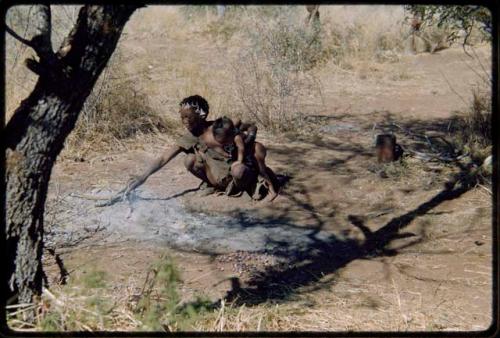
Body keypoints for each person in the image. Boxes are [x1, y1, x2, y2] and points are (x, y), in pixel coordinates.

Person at [124, 95, 258, 196]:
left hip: (237, 173)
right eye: (182, 117)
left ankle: (243, 187)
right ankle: (215, 185)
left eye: (189, 117)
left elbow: (248, 126)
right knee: (189, 160)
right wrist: (143, 176)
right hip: (218, 177)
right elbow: (164, 158)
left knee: (239, 172)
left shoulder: (219, 127)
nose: (185, 121)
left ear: (202, 115)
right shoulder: (190, 138)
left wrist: (249, 138)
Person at [206, 116, 280, 201]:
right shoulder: (228, 137)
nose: (224, 143)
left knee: (262, 171)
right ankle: (275, 181)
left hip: (256, 150)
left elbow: (241, 149)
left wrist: (239, 161)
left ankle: (272, 191)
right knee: (261, 169)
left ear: (230, 135)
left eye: (225, 141)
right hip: (249, 153)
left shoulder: (237, 138)